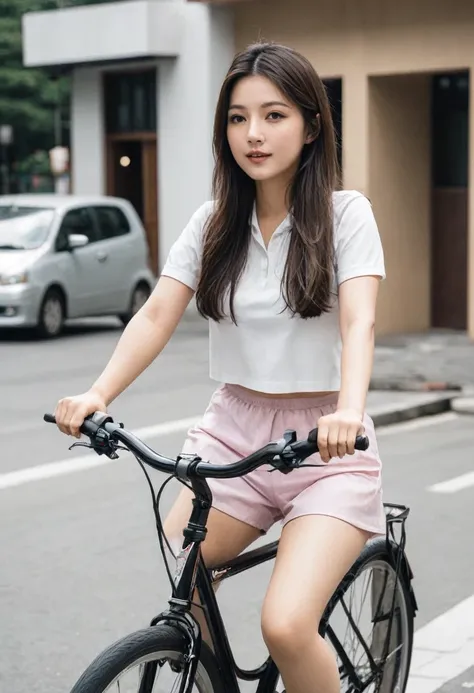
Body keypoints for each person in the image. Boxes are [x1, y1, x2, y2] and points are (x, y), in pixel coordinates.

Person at [54, 42, 386, 693]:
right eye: (237, 118)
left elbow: (359, 320)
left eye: (273, 115)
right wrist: (97, 392)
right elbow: (155, 316)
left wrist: (349, 408)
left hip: (325, 444)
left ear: (311, 125)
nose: (253, 134)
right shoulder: (213, 224)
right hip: (234, 431)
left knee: (287, 626)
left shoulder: (346, 214)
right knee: (185, 565)